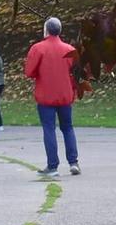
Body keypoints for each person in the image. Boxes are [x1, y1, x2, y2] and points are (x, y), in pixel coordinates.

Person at [22, 17, 80, 176]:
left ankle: (52, 166)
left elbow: (29, 72)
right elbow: (76, 74)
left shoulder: (38, 48)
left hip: (46, 95)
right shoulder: (70, 50)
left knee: (49, 129)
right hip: (65, 95)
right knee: (68, 127)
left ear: (46, 30)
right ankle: (73, 162)